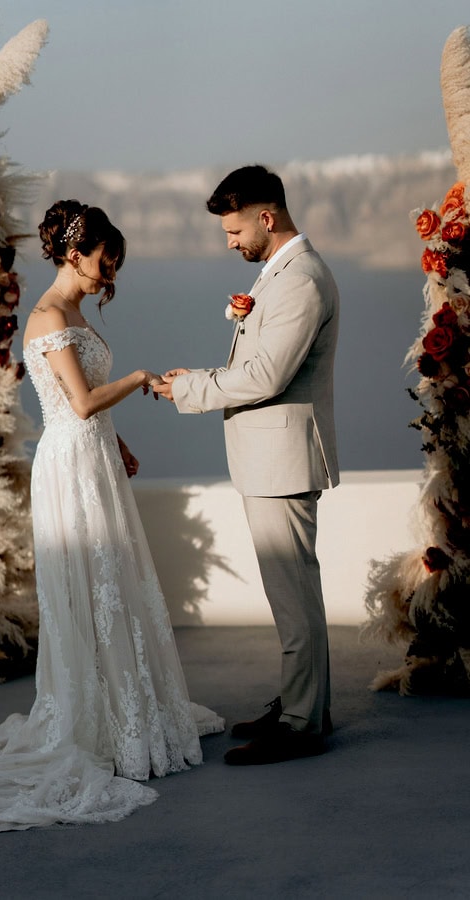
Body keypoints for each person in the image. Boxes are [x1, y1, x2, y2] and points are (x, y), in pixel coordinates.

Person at [0, 200, 223, 831]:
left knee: (110, 579)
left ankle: (126, 706)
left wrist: (118, 443)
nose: (109, 272)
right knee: (93, 582)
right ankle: (99, 717)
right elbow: (81, 403)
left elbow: (81, 408)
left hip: (91, 455)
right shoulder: (49, 318)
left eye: (114, 262)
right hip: (71, 462)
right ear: (71, 253)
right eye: (103, 260)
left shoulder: (74, 313)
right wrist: (140, 376)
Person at [155, 165, 339, 765]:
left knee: (294, 598)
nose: (229, 242)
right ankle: (302, 703)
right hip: (268, 459)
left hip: (283, 461)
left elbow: (266, 376)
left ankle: (302, 724)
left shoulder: (302, 280)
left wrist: (191, 387)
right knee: (290, 595)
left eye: (234, 231)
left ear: (266, 217)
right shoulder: (278, 274)